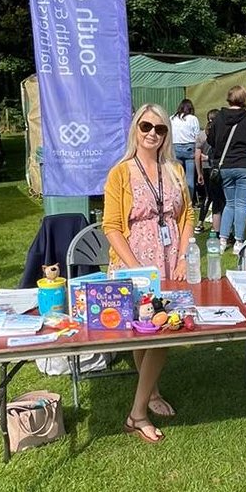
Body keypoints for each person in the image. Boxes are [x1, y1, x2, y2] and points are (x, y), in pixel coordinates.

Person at [103, 103, 193, 444]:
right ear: (135, 129)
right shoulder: (121, 172)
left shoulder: (174, 170)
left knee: (159, 333)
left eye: (160, 129)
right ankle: (138, 412)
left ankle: (148, 396)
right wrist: (135, 267)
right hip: (133, 263)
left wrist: (184, 255)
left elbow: (186, 216)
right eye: (146, 127)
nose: (152, 133)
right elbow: (111, 226)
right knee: (149, 334)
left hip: (169, 261)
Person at [208, 85, 246, 256]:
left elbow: (211, 140)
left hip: (225, 166)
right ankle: (239, 241)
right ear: (245, 99)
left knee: (229, 203)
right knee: (242, 204)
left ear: (229, 98)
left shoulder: (219, 118)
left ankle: (222, 240)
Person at [194, 109, 225, 234]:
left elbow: (197, 155)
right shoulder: (221, 133)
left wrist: (199, 172)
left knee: (208, 197)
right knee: (219, 199)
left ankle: (200, 223)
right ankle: (217, 225)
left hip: (206, 169)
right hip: (217, 168)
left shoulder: (202, 135)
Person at [170, 99, 200, 200]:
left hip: (176, 146)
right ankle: (189, 200)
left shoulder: (172, 118)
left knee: (177, 175)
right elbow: (197, 135)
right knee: (189, 176)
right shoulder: (193, 118)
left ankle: (178, 198)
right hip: (189, 146)